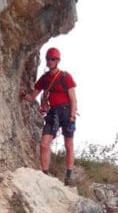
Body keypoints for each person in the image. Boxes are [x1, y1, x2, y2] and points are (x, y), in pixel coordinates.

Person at [22, 46, 78, 185]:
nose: (50, 61)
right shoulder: (45, 79)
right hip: (53, 113)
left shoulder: (65, 77)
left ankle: (68, 177)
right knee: (44, 144)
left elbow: (73, 99)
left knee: (69, 145)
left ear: (57, 60)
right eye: (48, 59)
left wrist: (72, 117)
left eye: (53, 59)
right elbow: (33, 96)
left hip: (66, 112)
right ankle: (45, 175)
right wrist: (23, 95)